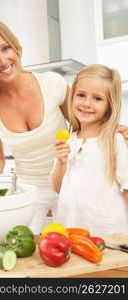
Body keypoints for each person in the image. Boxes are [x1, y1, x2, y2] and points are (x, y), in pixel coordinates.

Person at [0, 18, 128, 235]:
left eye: (5, 48)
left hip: (70, 190)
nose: (2, 60)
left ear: (15, 46)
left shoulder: (52, 84)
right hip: (30, 195)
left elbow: (87, 123)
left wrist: (119, 132)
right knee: (30, 252)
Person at [51, 64, 128, 236]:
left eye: (97, 98)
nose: (86, 103)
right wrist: (61, 163)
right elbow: (57, 188)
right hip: (71, 233)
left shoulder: (115, 141)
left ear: (109, 105)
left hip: (109, 235)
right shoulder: (67, 140)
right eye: (81, 95)